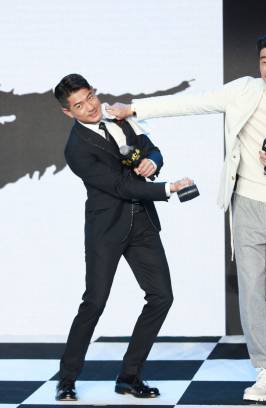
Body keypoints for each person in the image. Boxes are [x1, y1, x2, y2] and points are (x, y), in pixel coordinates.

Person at [108, 32, 266, 407]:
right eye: (264, 60)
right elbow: (194, 104)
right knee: (251, 296)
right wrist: (135, 108)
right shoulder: (244, 90)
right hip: (245, 207)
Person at [53, 73, 192, 401]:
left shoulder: (121, 119)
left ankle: (129, 377)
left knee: (161, 297)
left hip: (142, 222)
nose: (89, 108)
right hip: (106, 229)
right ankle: (67, 378)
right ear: (67, 112)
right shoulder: (76, 149)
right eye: (78, 105)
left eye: (90, 98)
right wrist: (167, 188)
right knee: (94, 303)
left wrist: (151, 163)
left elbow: (153, 150)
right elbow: (118, 186)